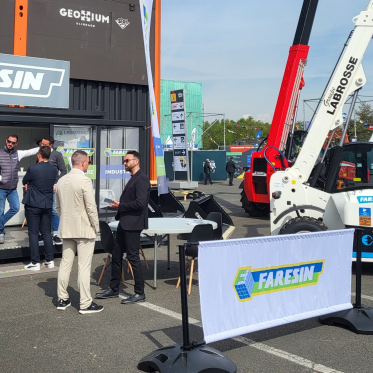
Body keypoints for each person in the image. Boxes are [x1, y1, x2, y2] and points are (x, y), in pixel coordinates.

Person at [96, 150, 150, 305]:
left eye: (127, 160)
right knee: (116, 254)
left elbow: (140, 203)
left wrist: (122, 205)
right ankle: (113, 289)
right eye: (124, 161)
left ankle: (139, 292)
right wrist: (119, 207)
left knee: (133, 257)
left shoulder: (142, 179)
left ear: (136, 161)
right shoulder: (134, 178)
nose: (124, 163)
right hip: (125, 222)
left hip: (133, 224)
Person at [55, 150, 103, 314]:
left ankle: (62, 299)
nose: (88, 165)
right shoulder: (84, 181)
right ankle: (85, 303)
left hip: (67, 229)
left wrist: (66, 220)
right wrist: (96, 227)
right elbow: (91, 207)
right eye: (88, 162)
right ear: (83, 163)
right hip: (83, 229)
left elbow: (58, 207)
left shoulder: (61, 181)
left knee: (65, 263)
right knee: (84, 266)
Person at [22, 146, 58, 271]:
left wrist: (29, 185)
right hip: (47, 204)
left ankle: (35, 262)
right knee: (47, 233)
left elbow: (24, 181)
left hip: (33, 204)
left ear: (39, 155)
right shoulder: (54, 170)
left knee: (33, 233)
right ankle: (50, 260)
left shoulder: (33, 169)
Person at [0, 135, 39, 244]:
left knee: (15, 208)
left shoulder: (17, 154)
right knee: (0, 211)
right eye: (9, 141)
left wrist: (45, 146)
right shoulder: (0, 154)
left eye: (13, 143)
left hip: (12, 189)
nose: (10, 144)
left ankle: (0, 225)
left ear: (16, 144)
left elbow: (30, 151)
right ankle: (1, 233)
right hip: (1, 188)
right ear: (6, 140)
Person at [39, 136, 67, 245]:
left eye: (44, 145)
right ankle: (43, 233)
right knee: (42, 210)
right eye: (41, 144)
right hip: (41, 187)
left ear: (51, 145)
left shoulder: (57, 155)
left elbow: (64, 171)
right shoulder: (39, 153)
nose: (42, 146)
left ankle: (56, 234)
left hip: (52, 187)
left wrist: (56, 184)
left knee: (54, 210)